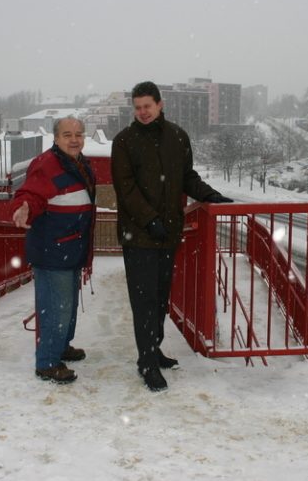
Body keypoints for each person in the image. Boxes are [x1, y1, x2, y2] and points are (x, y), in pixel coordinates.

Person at [111, 81, 232, 391]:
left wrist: (210, 194)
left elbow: (186, 176)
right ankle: (147, 363)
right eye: (137, 108)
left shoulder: (177, 136)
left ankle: (155, 349)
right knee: (144, 300)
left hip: (168, 234)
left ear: (160, 104)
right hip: (138, 235)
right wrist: (150, 220)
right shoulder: (124, 141)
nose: (142, 112)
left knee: (161, 298)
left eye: (147, 106)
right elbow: (126, 189)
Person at [11, 117, 95, 384]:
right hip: (53, 250)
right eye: (67, 134)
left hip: (71, 247)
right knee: (55, 308)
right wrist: (25, 207)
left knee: (67, 307)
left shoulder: (78, 163)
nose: (74, 139)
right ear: (56, 138)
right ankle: (47, 361)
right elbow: (32, 194)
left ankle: (61, 347)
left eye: (79, 134)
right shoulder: (47, 164)